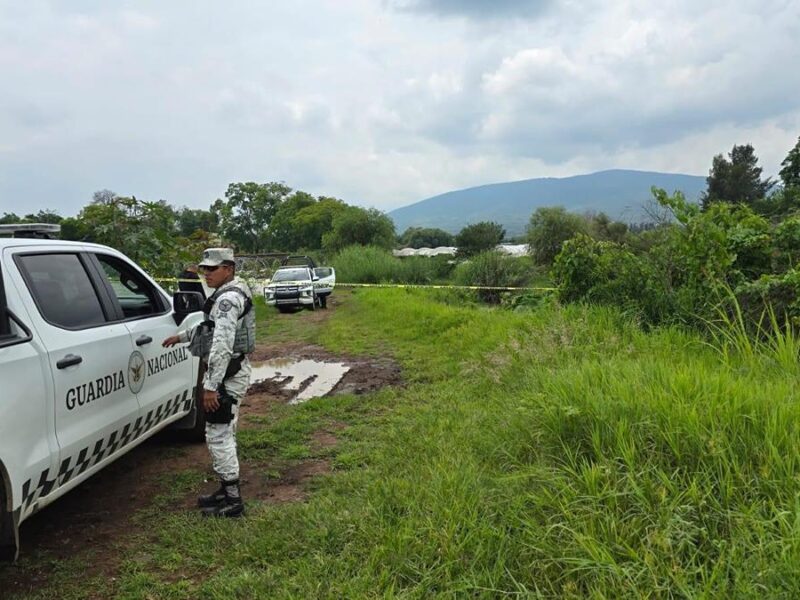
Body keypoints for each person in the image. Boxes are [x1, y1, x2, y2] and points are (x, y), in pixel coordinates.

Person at [162, 248, 255, 517]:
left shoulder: (228, 300)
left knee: (217, 436)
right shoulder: (229, 293)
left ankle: (233, 500)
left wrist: (210, 386)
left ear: (229, 268)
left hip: (227, 375)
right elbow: (210, 327)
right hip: (232, 372)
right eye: (204, 268)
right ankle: (226, 491)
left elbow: (222, 344)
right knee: (225, 433)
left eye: (212, 269)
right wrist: (180, 337)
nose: (206, 274)